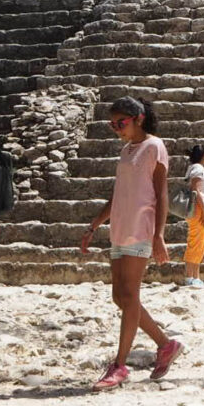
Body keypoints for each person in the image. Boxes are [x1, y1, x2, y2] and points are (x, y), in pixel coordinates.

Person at [79, 97, 182, 390]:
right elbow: (119, 194)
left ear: (138, 118)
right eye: (112, 124)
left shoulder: (155, 147)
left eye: (120, 123)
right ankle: (165, 345)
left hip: (140, 229)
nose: (116, 129)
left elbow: (161, 193)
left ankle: (119, 365)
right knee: (122, 298)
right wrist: (94, 224)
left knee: (130, 297)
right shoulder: (126, 151)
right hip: (119, 229)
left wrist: (159, 235)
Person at [180, 144, 204, 288]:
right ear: (203, 155)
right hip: (198, 209)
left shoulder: (195, 168)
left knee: (198, 242)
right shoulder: (198, 169)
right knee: (196, 241)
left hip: (197, 209)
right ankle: (190, 276)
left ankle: (195, 276)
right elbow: (195, 189)